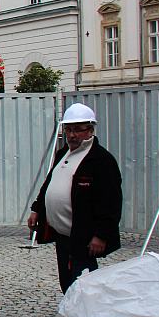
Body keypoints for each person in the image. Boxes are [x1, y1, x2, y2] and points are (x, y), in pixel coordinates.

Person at [28, 103, 122, 293]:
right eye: (68, 129)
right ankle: (72, 316)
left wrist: (101, 235)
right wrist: (37, 209)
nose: (72, 135)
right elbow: (49, 183)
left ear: (90, 130)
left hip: (84, 235)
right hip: (63, 234)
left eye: (78, 130)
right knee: (66, 279)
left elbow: (111, 201)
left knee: (83, 280)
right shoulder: (64, 153)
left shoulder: (101, 160)